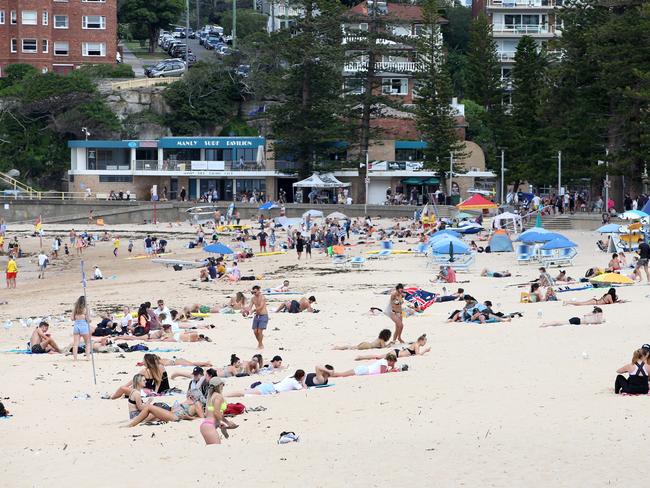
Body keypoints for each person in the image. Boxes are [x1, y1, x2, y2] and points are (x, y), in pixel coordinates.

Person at [227, 369, 306, 397]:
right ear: (301, 377)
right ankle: (226, 395)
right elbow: (304, 389)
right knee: (243, 393)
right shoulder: (295, 383)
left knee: (245, 392)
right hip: (270, 389)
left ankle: (227, 394)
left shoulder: (290, 376)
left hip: (269, 385)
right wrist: (302, 381)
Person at [355, 334, 431, 360]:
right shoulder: (416, 345)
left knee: (379, 357)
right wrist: (425, 351)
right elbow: (417, 355)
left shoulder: (415, 344)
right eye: (424, 341)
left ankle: (361, 357)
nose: (425, 343)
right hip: (396, 354)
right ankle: (361, 357)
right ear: (421, 340)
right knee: (378, 357)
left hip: (397, 352)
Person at [200, 377, 228, 445]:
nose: (223, 386)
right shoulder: (218, 397)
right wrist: (228, 422)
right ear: (219, 385)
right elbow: (216, 413)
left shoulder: (210, 396)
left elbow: (206, 414)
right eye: (223, 384)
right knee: (216, 448)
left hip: (206, 425)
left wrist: (218, 424)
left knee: (212, 451)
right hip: (209, 426)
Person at [332, 353, 400, 377]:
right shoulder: (384, 363)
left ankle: (331, 374)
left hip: (364, 369)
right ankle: (330, 374)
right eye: (394, 362)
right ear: (391, 361)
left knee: (342, 374)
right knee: (342, 374)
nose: (394, 364)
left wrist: (392, 367)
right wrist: (392, 370)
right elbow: (382, 373)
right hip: (364, 370)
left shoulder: (384, 361)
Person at [247, 285, 268, 349]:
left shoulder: (263, 297)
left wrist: (254, 310)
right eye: (253, 292)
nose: (254, 294)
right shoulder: (253, 298)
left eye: (255, 292)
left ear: (259, 291)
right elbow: (250, 307)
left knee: (259, 331)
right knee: (255, 331)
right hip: (257, 316)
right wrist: (246, 311)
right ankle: (260, 343)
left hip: (263, 315)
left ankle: (260, 344)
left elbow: (261, 306)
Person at [540, 307, 605, 327]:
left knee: (560, 322)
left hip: (577, 320)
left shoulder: (593, 317)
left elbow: (585, 315)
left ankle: (547, 324)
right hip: (577, 321)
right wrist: (594, 312)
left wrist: (592, 312)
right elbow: (601, 319)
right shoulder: (598, 319)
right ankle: (546, 324)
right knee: (559, 323)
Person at [71, 296, 91, 361]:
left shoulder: (75, 309)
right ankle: (87, 357)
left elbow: (72, 318)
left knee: (75, 344)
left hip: (76, 326)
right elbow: (88, 320)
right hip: (84, 326)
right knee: (87, 343)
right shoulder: (86, 309)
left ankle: (75, 358)